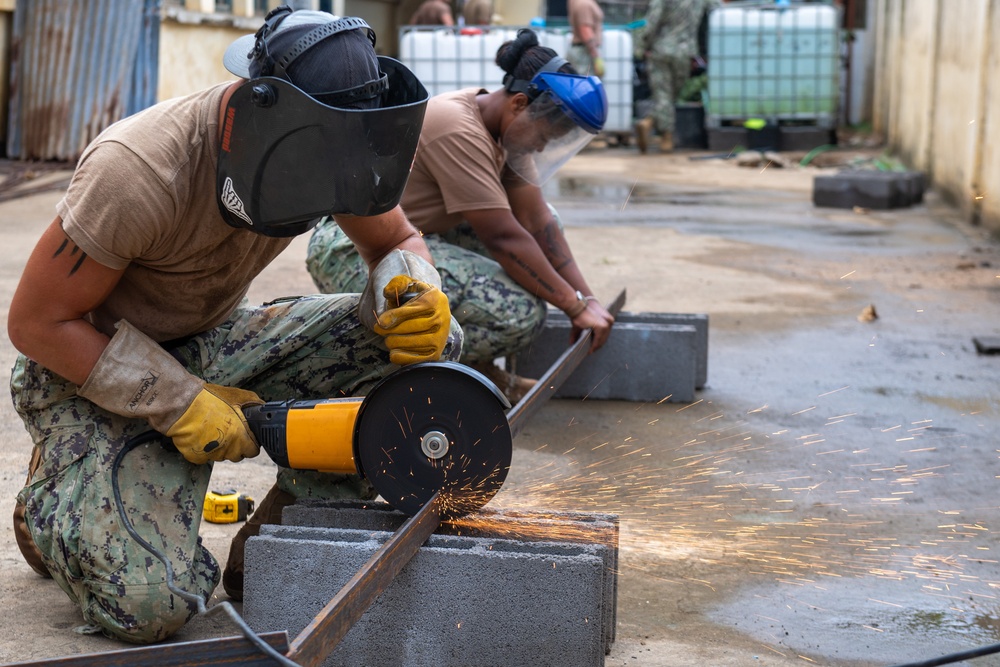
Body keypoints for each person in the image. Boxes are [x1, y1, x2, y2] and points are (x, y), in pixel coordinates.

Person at [8, 6, 458, 644]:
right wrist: (180, 403)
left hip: (214, 341)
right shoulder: (138, 170)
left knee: (428, 344)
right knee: (151, 606)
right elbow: (36, 323)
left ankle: (288, 539)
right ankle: (51, 501)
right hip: (89, 370)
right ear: (259, 111)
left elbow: (397, 238)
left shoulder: (327, 144)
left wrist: (412, 286)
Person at [306, 29, 615, 402]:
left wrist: (588, 299)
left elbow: (539, 223)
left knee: (548, 227)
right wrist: (574, 305)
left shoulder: (507, 133)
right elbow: (503, 238)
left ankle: (472, 371)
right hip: (352, 247)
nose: (540, 146)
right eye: (543, 136)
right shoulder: (457, 126)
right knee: (518, 313)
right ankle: (397, 375)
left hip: (415, 236)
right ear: (519, 104)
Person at [634, 0, 720, 153]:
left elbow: (652, 21)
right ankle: (662, 133)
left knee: (663, 94)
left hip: (660, 49)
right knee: (671, 94)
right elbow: (719, 9)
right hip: (685, 52)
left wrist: (641, 46)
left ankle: (653, 125)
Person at [566, 0, 605, 78]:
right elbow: (585, 29)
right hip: (584, 52)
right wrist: (596, 56)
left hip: (584, 50)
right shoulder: (584, 3)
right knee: (585, 85)